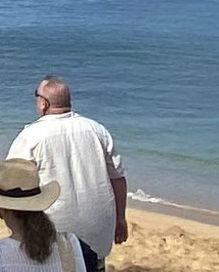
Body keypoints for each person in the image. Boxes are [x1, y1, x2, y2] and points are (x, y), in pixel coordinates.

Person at [9, 75, 130, 253]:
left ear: (43, 103)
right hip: (98, 228)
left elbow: (11, 178)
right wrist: (120, 218)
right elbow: (118, 178)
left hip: (55, 230)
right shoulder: (97, 130)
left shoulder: (31, 135)